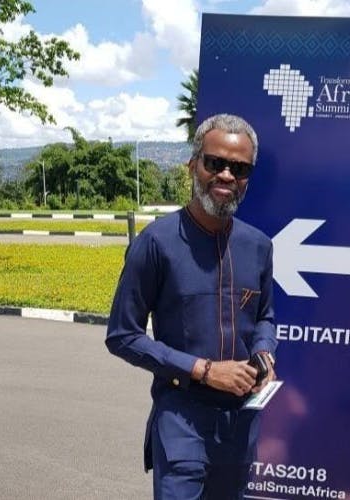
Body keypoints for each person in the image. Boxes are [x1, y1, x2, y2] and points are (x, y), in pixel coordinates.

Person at [106, 113, 277, 499]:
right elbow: (122, 335)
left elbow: (265, 316)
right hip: (182, 418)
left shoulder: (258, 246)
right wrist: (203, 370)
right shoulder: (156, 243)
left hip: (241, 424)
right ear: (193, 165)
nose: (226, 175)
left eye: (239, 168)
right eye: (215, 163)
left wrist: (265, 352)